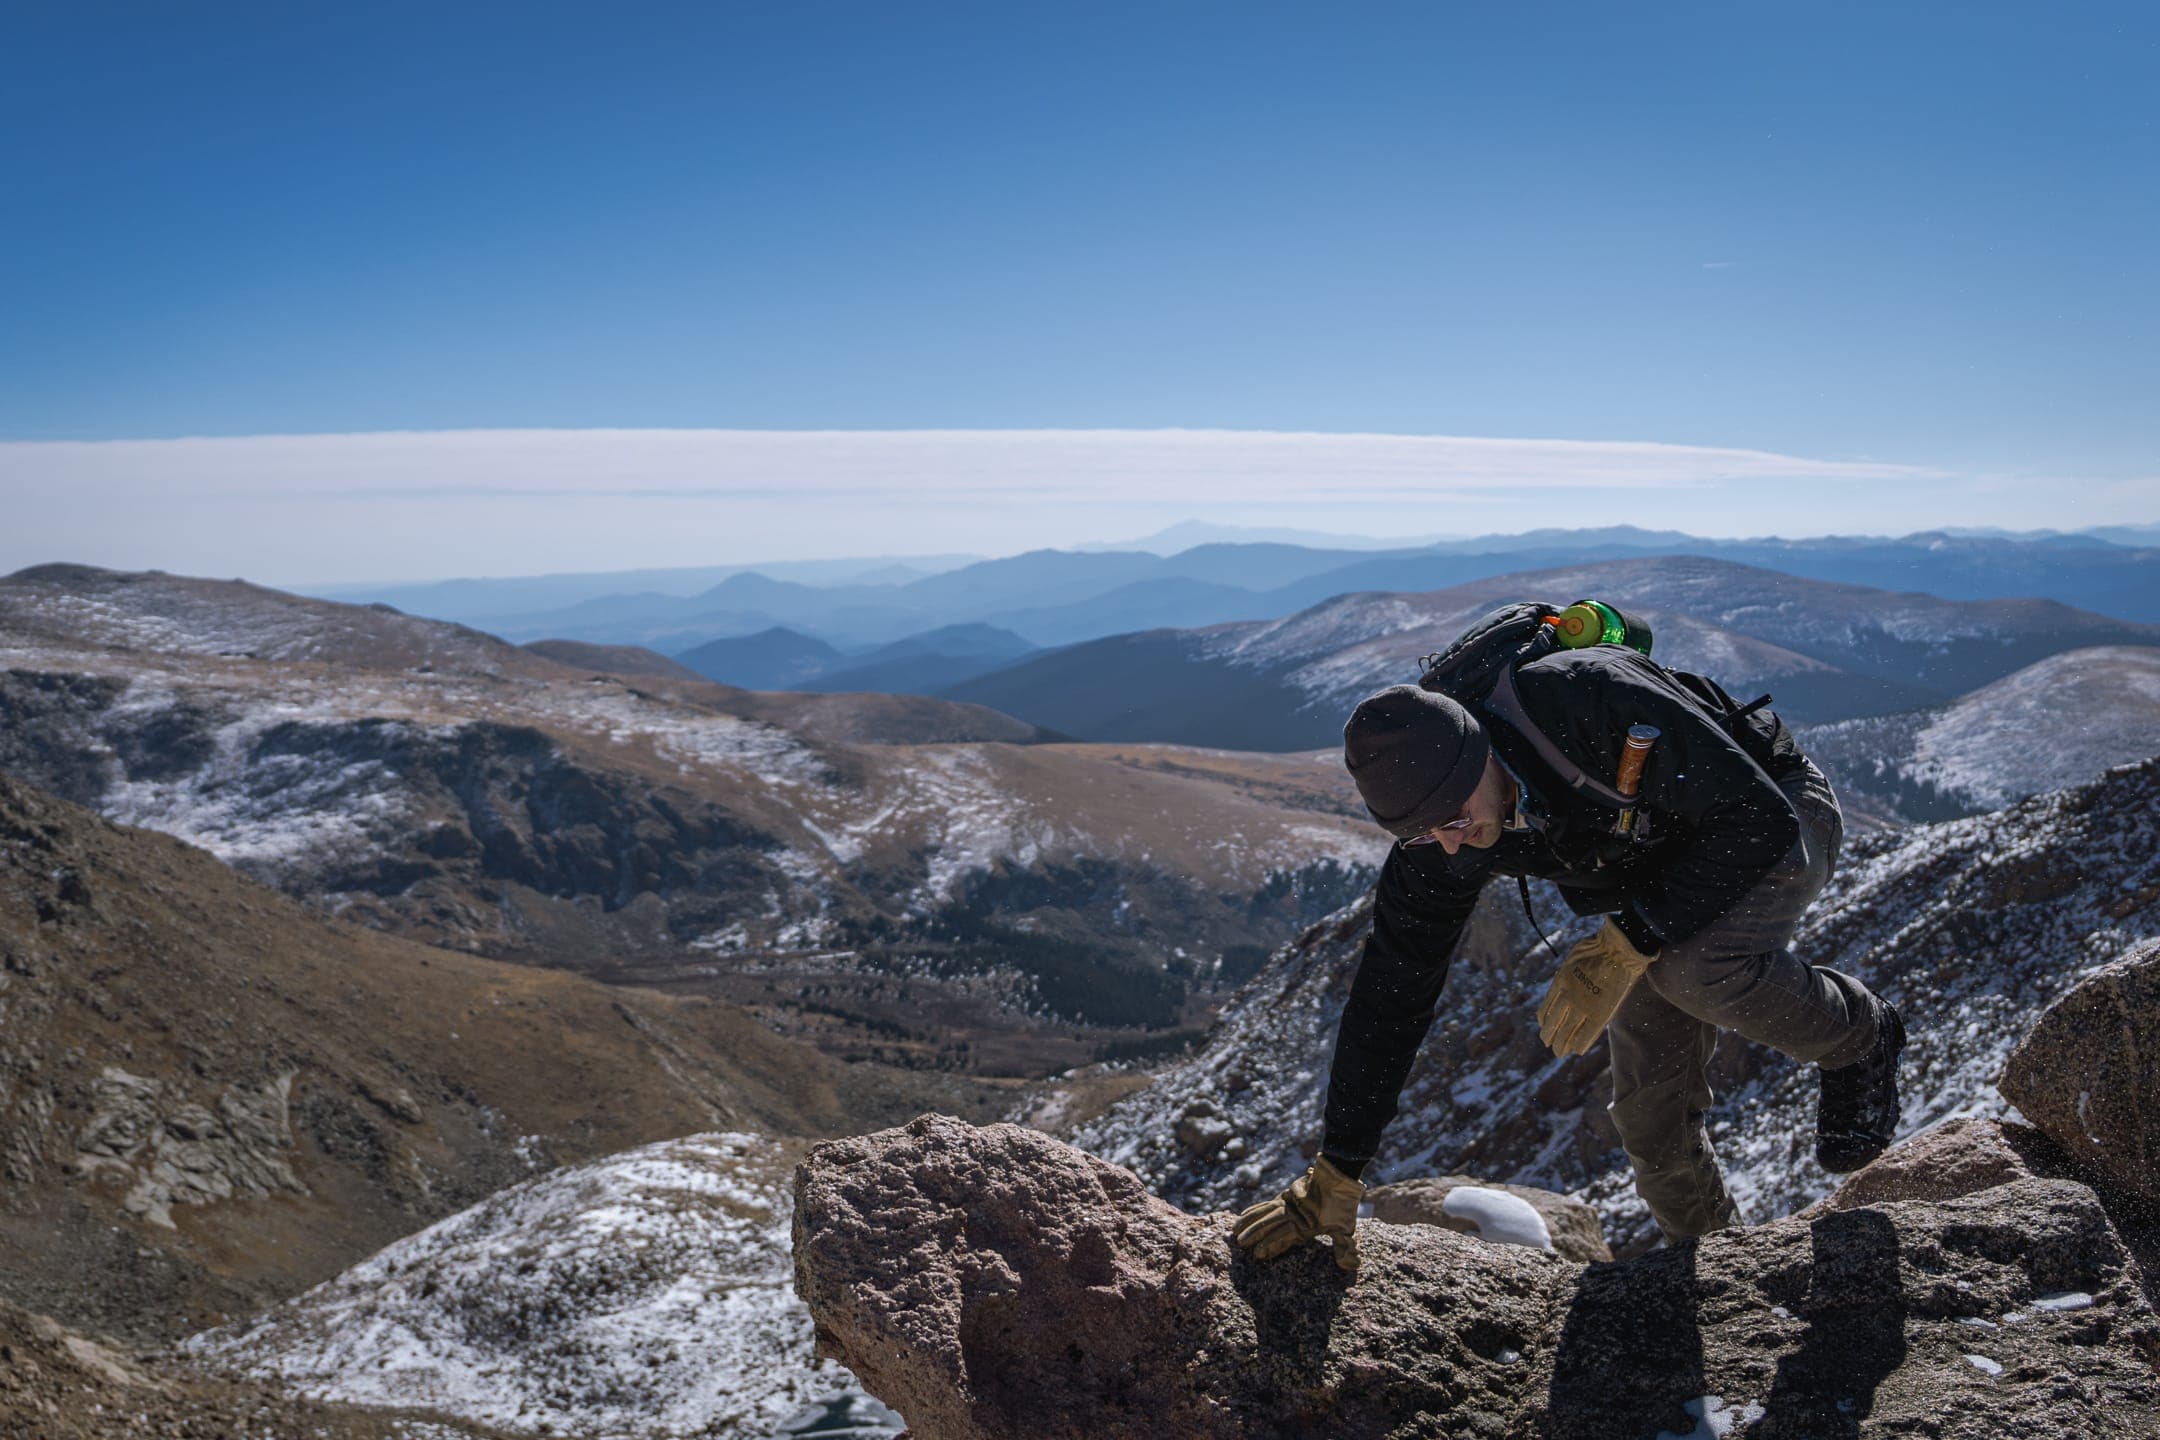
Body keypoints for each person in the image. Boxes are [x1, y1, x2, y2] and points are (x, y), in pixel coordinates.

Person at [1233, 604, 1904, 1270]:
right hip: (1655, 866)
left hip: (1771, 806)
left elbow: (1756, 820)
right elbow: (1391, 992)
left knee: (1689, 970)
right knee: (1647, 1115)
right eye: (1423, 833)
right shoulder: (1441, 835)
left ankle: (1861, 1037)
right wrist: (1339, 1168)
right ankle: (1717, 1266)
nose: (1450, 842)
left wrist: (1635, 936)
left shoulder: (1586, 698)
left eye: (1458, 818)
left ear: (1480, 757)